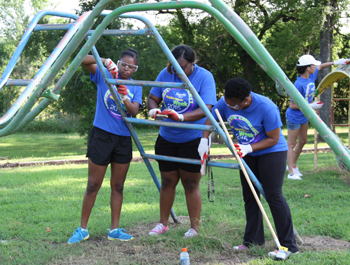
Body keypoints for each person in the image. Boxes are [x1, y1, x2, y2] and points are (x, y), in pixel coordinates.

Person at [198, 77, 299, 256]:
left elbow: (273, 138)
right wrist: (204, 139)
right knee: (250, 196)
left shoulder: (266, 108)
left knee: (273, 196)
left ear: (246, 100)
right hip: (247, 153)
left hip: (271, 152)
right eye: (227, 104)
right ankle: (253, 240)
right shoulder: (226, 102)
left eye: (234, 106)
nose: (229, 108)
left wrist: (249, 147)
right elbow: (210, 118)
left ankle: (288, 246)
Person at [67, 49, 142, 244]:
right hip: (102, 136)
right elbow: (80, 58)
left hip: (123, 138)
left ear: (135, 69)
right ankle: (82, 229)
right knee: (93, 185)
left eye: (131, 66)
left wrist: (125, 96)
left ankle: (114, 230)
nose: (127, 69)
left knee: (118, 186)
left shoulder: (135, 85)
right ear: (118, 63)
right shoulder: (105, 74)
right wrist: (105, 61)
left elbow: (134, 111)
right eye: (123, 64)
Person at [146, 44, 217, 238]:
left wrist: (183, 117)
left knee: (191, 183)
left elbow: (206, 108)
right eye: (173, 67)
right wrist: (153, 109)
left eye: (182, 67)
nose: (177, 72)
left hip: (192, 138)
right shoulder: (165, 73)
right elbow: (153, 97)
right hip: (167, 137)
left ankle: (194, 227)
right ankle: (163, 224)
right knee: (168, 181)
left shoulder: (204, 77)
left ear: (192, 64)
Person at [286, 55, 350, 180]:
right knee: (291, 144)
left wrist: (337, 62)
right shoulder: (298, 84)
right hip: (294, 116)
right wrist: (311, 105)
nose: (315, 67)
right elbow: (292, 105)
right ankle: (291, 172)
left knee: (303, 141)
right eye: (313, 65)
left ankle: (292, 166)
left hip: (304, 114)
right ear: (308, 68)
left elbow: (321, 66)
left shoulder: (311, 74)